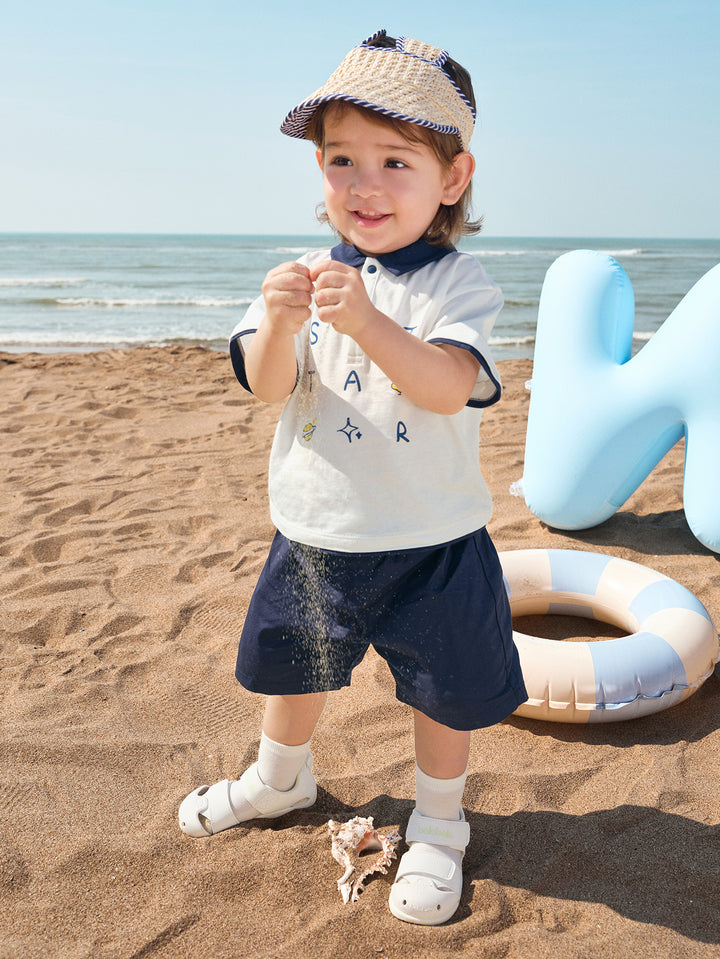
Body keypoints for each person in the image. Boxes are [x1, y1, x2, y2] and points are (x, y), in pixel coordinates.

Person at [179, 28, 527, 926]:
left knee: (443, 689)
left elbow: (452, 385)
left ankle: (441, 823)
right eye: (341, 159)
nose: (364, 184)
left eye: (395, 161)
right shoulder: (303, 276)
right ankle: (278, 779)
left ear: (452, 179)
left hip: (433, 539)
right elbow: (264, 385)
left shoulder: (459, 285)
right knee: (294, 671)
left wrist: (370, 324)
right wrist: (282, 325)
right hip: (317, 530)